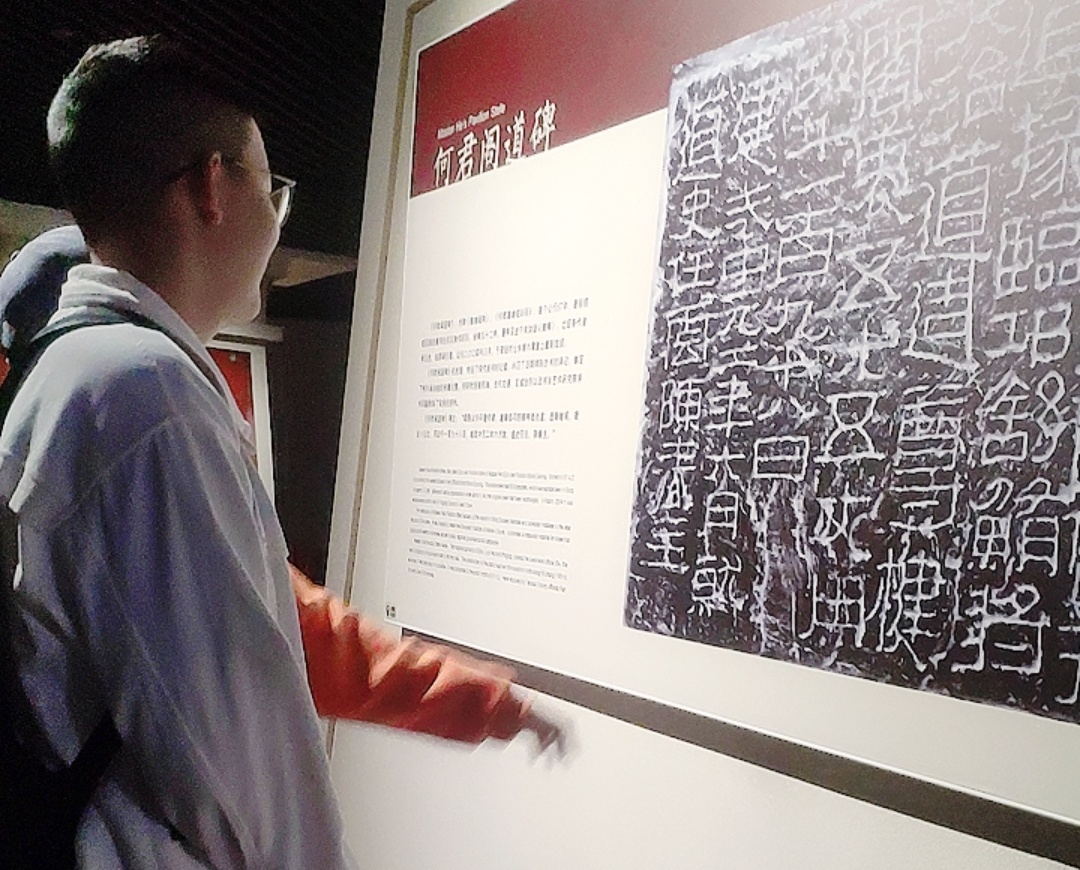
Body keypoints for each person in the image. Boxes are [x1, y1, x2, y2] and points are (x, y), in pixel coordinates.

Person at [0, 36, 561, 869]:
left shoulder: (77, 372)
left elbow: (275, 618)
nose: (275, 218)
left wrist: (467, 698)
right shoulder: (145, 399)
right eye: (273, 189)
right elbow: (245, 764)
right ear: (212, 186)